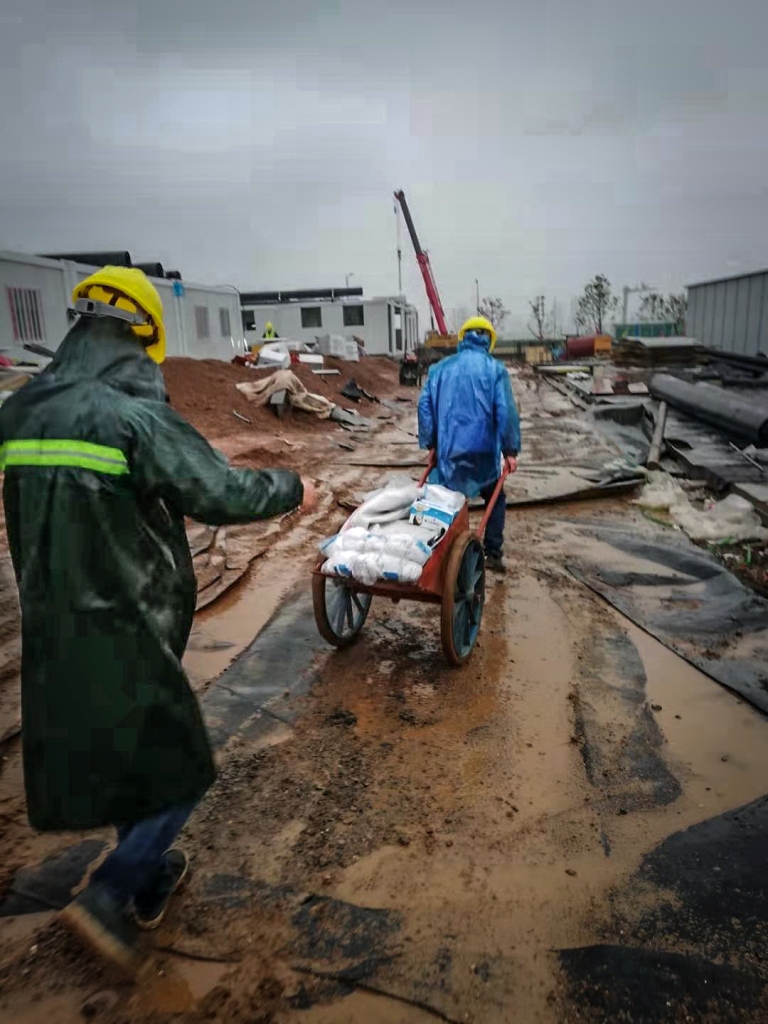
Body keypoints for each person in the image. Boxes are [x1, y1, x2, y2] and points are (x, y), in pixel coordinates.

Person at [0, 266, 317, 970]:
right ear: (143, 336)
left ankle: (149, 878)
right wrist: (295, 487)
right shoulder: (133, 418)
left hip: (53, 618)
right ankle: (111, 892)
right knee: (181, 765)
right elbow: (219, 491)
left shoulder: (20, 412)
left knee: (127, 756)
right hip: (127, 617)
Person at [417, 316, 520, 572]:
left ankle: (434, 549)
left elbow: (424, 407)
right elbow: (505, 411)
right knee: (495, 497)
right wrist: (510, 451)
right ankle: (493, 553)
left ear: (462, 338)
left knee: (443, 499)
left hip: (449, 453)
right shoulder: (495, 370)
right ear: (489, 340)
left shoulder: (440, 369)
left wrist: (432, 444)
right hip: (482, 454)